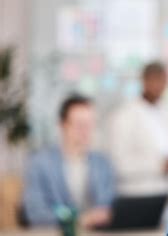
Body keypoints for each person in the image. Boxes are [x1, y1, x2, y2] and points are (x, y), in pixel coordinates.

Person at [22, 95, 115, 228]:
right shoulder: (40, 163)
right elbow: (35, 213)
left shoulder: (102, 163)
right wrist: (78, 219)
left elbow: (107, 208)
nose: (86, 131)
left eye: (90, 124)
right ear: (62, 125)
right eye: (80, 125)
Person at [107, 61, 168, 200]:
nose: (159, 85)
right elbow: (119, 164)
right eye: (154, 80)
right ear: (143, 81)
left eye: (162, 80)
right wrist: (160, 165)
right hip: (141, 195)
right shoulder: (125, 116)